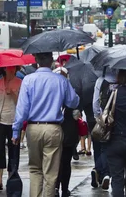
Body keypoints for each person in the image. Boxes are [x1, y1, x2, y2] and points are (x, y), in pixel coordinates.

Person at [12, 52, 79, 197]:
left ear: (36, 60)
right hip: (53, 128)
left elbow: (22, 109)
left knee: (35, 169)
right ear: (51, 61)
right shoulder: (61, 80)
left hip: (33, 128)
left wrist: (16, 131)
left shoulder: (28, 80)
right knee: (50, 173)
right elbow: (73, 102)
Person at [0, 66, 22, 190]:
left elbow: (22, 103)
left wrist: (12, 94)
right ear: (4, 69)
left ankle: (12, 178)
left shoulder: (20, 83)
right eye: (8, 68)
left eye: (13, 68)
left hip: (14, 122)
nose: (11, 70)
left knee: (14, 150)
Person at [53, 67, 79, 197]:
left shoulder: (50, 92)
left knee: (54, 162)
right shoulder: (70, 91)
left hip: (54, 130)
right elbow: (76, 110)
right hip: (68, 132)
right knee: (66, 162)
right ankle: (64, 189)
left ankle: (55, 187)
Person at [91, 67, 118, 189]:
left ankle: (98, 169)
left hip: (103, 117)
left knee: (103, 146)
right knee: (111, 147)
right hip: (117, 118)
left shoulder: (100, 80)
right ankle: (106, 173)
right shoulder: (120, 80)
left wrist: (98, 116)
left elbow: (95, 101)